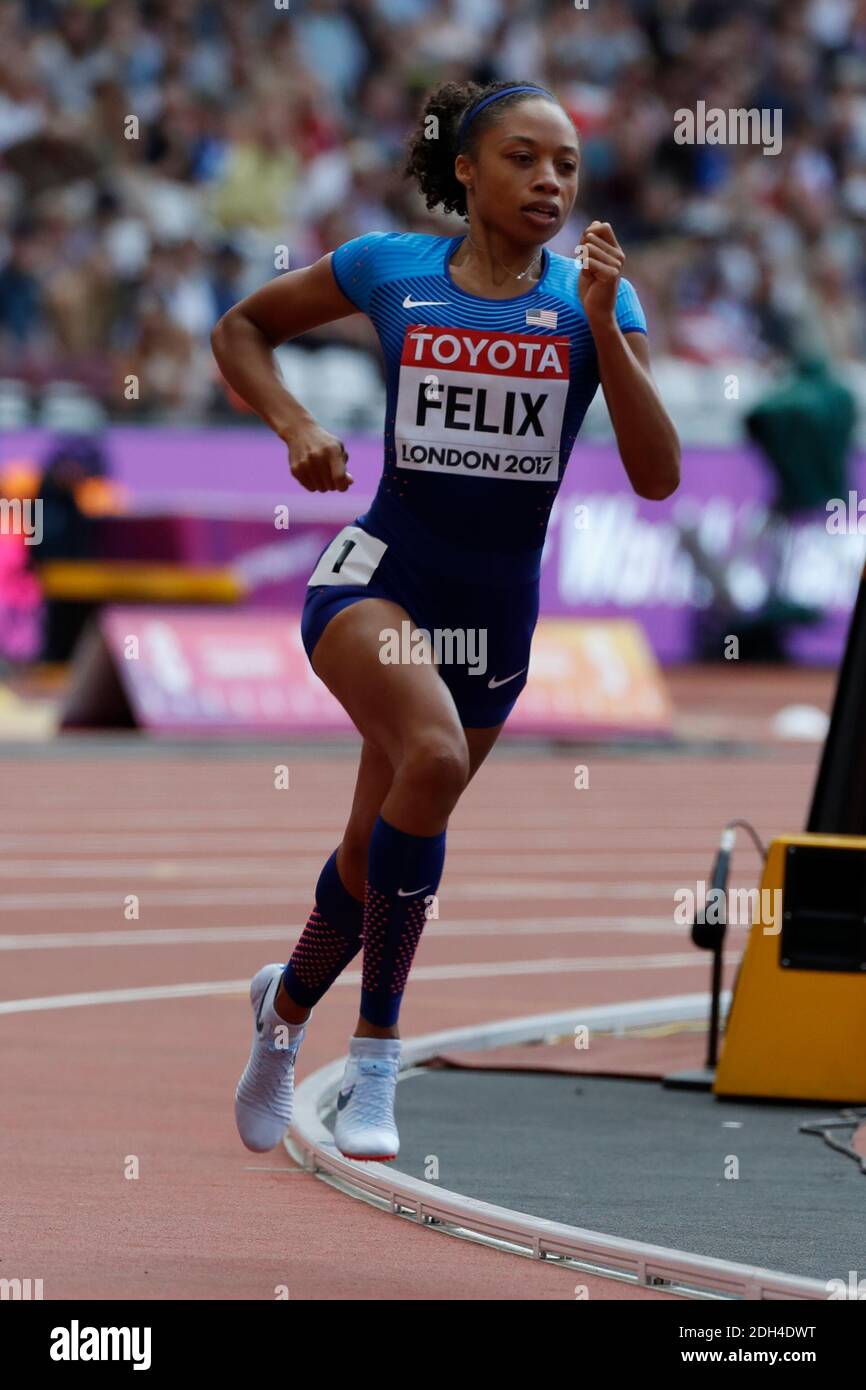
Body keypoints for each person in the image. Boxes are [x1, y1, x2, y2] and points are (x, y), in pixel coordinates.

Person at [211, 79, 680, 1162]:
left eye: (566, 165)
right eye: (523, 159)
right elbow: (241, 328)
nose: (549, 181)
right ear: (465, 172)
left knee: (376, 850)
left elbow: (655, 477)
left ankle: (282, 1011)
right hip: (378, 572)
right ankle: (376, 1058)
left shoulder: (591, 299)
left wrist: (607, 328)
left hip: (494, 609)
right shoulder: (391, 269)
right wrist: (292, 426)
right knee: (426, 751)